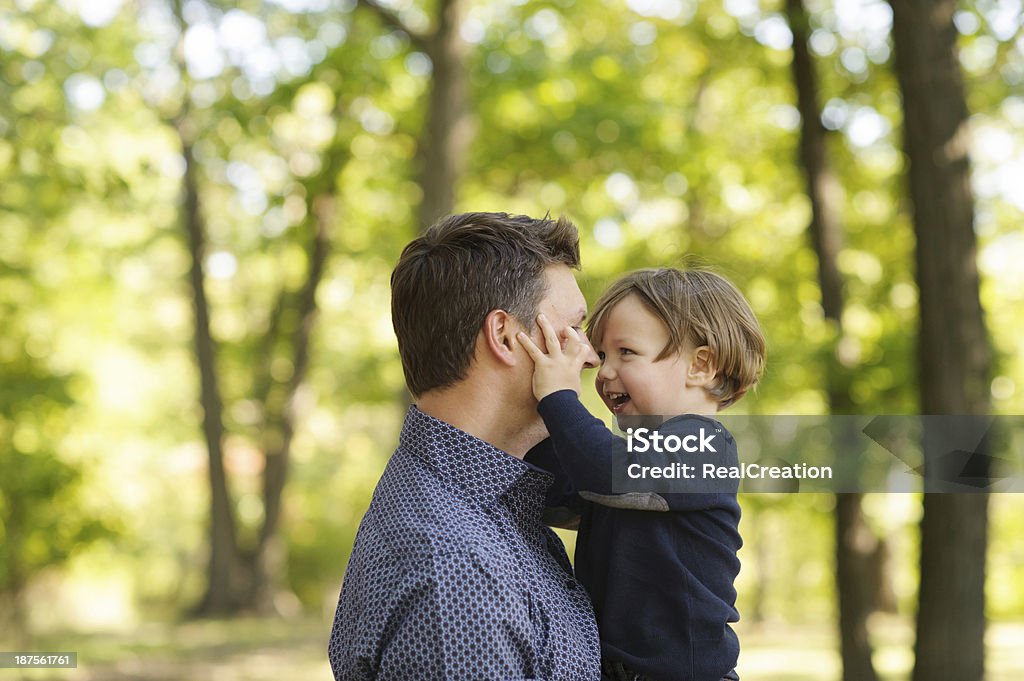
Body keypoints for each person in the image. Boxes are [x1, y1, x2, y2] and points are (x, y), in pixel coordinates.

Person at [328, 212, 603, 681]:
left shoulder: (485, 509)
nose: (592, 357)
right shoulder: (455, 572)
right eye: (573, 330)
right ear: (504, 336)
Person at [518, 267, 766, 681]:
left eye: (626, 352)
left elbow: (602, 470)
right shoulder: (633, 469)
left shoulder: (704, 448)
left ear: (700, 366)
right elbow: (555, 491)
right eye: (601, 353)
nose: (603, 370)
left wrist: (557, 396)